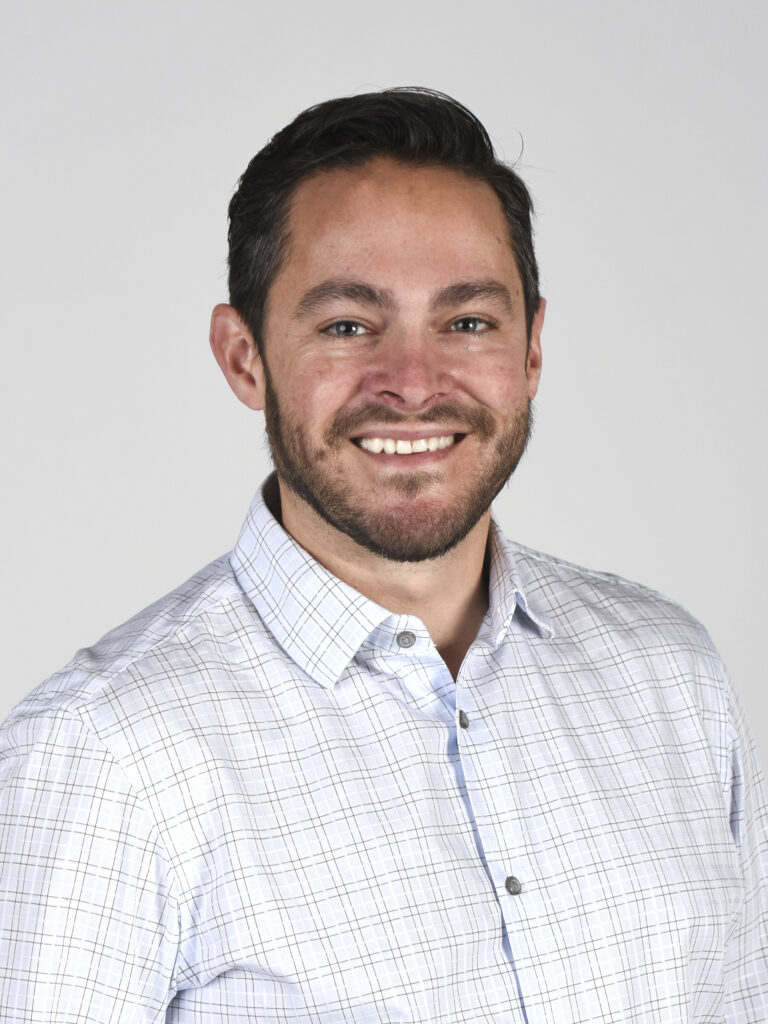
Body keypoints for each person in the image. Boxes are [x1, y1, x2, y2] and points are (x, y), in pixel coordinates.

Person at [0, 88, 765, 1023]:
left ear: (531, 352)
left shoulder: (670, 675)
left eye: (468, 322)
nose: (413, 383)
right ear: (244, 358)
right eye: (347, 327)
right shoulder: (103, 753)